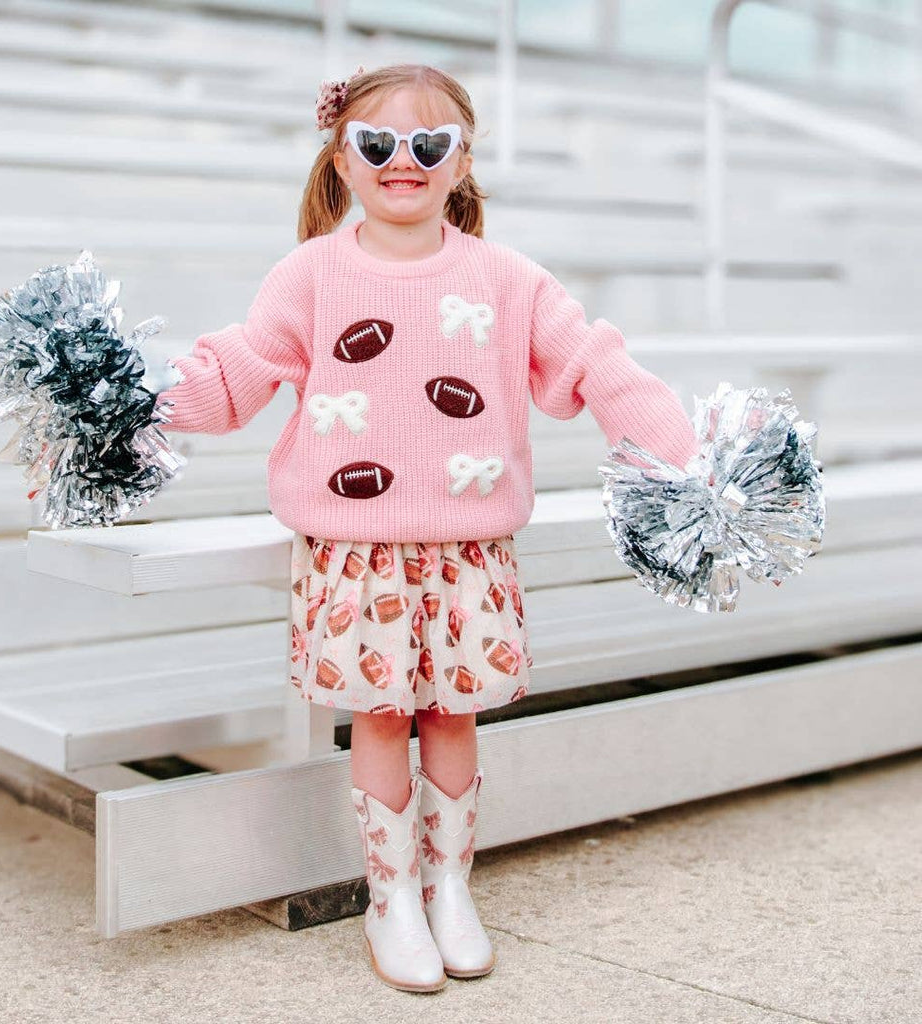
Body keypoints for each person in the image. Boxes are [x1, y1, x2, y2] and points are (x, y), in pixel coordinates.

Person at [157, 62, 698, 994]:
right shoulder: (310, 275)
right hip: (352, 552)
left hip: (469, 549)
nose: (400, 161)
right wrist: (129, 396)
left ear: (461, 160)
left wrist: (679, 453)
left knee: (454, 711)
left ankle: (452, 887)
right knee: (379, 712)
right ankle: (391, 895)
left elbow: (593, 364)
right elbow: (235, 374)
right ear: (343, 157)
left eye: (427, 144)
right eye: (376, 144)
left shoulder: (507, 280)